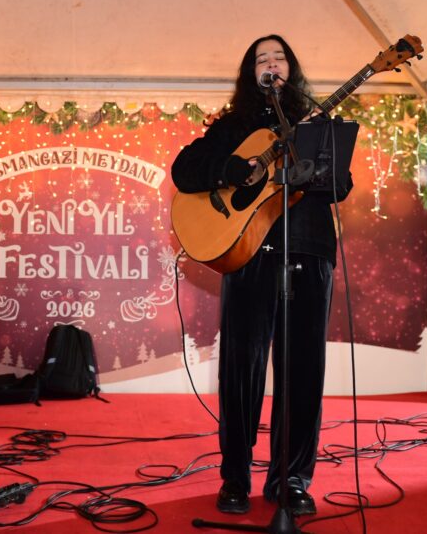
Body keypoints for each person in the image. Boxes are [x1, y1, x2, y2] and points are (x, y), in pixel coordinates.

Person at [171, 35, 352, 517]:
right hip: (250, 254)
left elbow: (341, 186)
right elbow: (185, 170)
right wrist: (233, 168)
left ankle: (291, 479)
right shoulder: (234, 126)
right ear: (250, 73)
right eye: (261, 59)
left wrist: (315, 170)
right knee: (241, 369)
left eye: (279, 57)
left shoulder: (317, 124)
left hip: (309, 252)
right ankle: (235, 478)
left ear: (292, 69)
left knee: (302, 372)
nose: (271, 64)